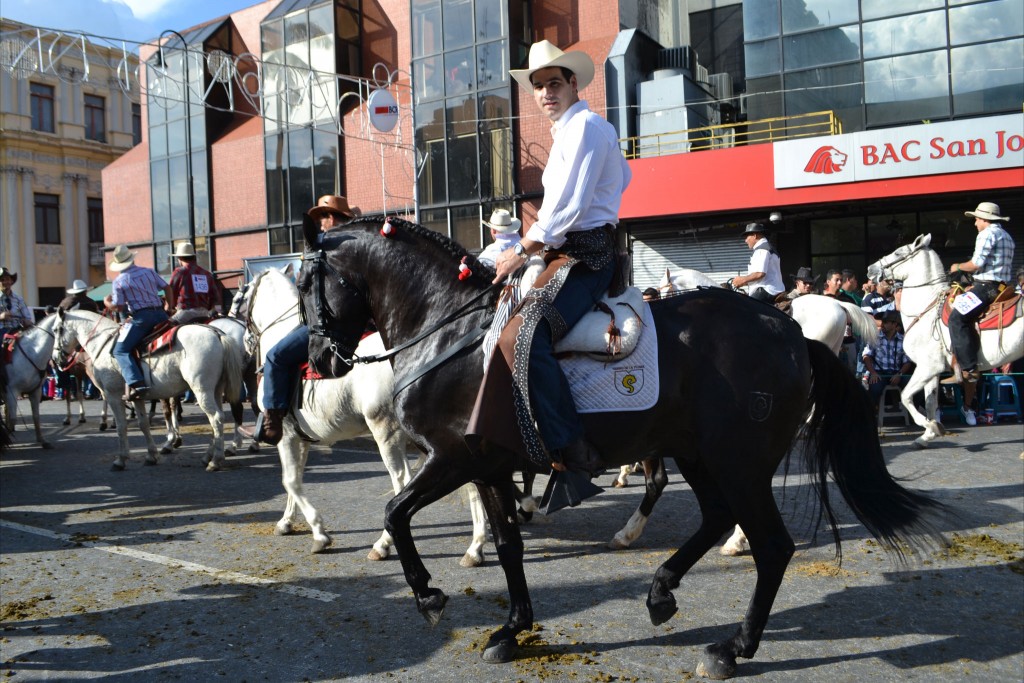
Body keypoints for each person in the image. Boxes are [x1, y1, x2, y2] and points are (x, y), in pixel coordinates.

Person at [467, 40, 631, 509]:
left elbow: (567, 209)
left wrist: (519, 251)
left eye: (554, 83)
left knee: (520, 336)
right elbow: (623, 180)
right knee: (503, 320)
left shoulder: (585, 128)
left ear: (573, 83)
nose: (545, 93)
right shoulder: (574, 131)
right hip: (568, 253)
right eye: (538, 86)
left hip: (585, 258)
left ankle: (572, 448)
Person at [251, 195, 354, 445]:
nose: (320, 223)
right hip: (357, 320)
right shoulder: (356, 244)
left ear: (333, 218)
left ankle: (273, 422)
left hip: (326, 322)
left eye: (323, 217)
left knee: (275, 356)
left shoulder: (324, 246)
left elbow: (307, 286)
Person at [941, 202, 1015, 426]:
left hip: (986, 288)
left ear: (985, 219)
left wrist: (957, 267)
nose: (975, 223)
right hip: (1002, 287)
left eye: (977, 219)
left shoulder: (986, 234)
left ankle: (969, 369)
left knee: (957, 317)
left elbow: (976, 264)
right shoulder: (1006, 236)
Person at [107, 244, 169, 400]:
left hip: (142, 318)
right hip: (161, 314)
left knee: (120, 350)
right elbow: (167, 288)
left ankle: (137, 382)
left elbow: (119, 307)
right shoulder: (149, 271)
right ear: (131, 259)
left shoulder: (119, 281)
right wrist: (170, 306)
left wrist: (107, 303)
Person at [862, 311, 913, 407]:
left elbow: (907, 362)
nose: (882, 324)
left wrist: (899, 374)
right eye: (882, 321)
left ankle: (913, 412)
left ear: (895, 324)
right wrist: (873, 372)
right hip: (879, 373)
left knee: (915, 386)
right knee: (875, 389)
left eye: (885, 322)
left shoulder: (903, 339)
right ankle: (871, 412)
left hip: (897, 373)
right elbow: (866, 356)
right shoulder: (875, 337)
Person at [165, 242, 220, 324]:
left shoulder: (179, 272)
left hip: (185, 313)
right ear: (193, 257)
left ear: (179, 258)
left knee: (164, 327)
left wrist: (169, 307)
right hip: (204, 313)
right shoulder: (206, 274)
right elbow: (215, 297)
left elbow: (171, 292)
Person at [730, 223, 783, 303]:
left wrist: (742, 279)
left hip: (766, 290)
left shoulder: (762, 249)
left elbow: (760, 273)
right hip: (772, 289)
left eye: (747, 237)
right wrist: (744, 282)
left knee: (743, 307)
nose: (745, 240)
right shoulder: (768, 247)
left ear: (754, 235)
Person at [0, 267, 33, 331]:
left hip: (16, 331)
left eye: (7, 279)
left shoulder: (19, 299)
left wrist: (26, 322)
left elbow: (27, 318)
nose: (5, 282)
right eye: (2, 280)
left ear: (11, 281)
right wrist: (1, 316)